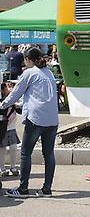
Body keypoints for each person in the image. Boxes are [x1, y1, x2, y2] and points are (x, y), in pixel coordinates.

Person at [1, 47, 59, 198]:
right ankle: (47, 189)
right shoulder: (49, 73)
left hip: (36, 118)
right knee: (49, 154)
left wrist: (2, 105)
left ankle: (23, 189)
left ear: (28, 59)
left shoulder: (29, 73)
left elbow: (15, 93)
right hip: (52, 119)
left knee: (26, 153)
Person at [0, 82, 19, 176]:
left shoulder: (14, 100)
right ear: (3, 90)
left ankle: (13, 166)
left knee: (13, 147)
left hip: (12, 127)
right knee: (2, 148)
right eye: (8, 86)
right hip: (3, 128)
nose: (11, 88)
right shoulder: (3, 100)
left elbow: (20, 110)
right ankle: (2, 168)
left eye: (12, 86)